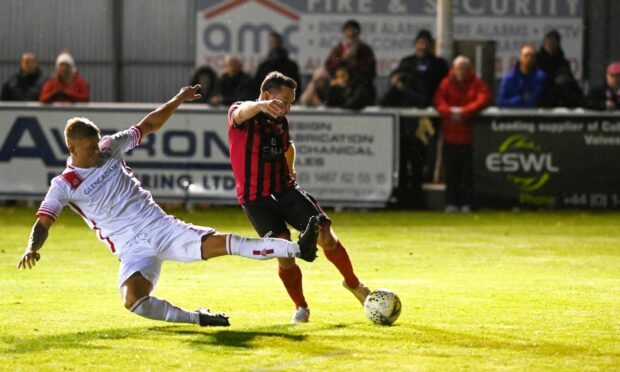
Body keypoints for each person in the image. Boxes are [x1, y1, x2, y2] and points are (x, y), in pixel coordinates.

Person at [17, 85, 320, 328]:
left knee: (224, 244)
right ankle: (197, 318)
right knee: (133, 301)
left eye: (98, 145)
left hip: (162, 228)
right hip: (132, 249)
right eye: (91, 148)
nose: (98, 151)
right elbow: (44, 222)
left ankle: (297, 249)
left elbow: (148, 125)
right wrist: (32, 247)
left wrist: (177, 99)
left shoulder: (110, 147)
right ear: (72, 149)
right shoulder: (64, 184)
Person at [227, 71, 372, 324]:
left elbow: (288, 146)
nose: (287, 108)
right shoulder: (241, 112)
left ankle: (353, 284)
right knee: (284, 251)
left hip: (285, 190)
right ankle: (301, 306)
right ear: (266, 95)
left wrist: (291, 168)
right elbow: (241, 112)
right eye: (284, 101)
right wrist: (260, 106)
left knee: (325, 237)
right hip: (255, 200)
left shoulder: (281, 121)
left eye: (291, 103)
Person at [434, 56, 491, 213]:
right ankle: (451, 203)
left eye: (464, 68)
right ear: (454, 68)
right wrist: (450, 112)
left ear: (469, 69)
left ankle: (467, 203)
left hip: (468, 137)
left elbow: (483, 99)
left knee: (467, 175)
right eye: (459, 68)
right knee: (451, 174)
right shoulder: (446, 83)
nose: (461, 72)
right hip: (450, 136)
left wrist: (464, 112)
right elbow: (439, 100)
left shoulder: (476, 84)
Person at [391, 29, 449, 105]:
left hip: (433, 103)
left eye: (426, 43)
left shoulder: (439, 63)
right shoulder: (407, 62)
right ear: (416, 44)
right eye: (420, 43)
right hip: (410, 103)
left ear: (430, 45)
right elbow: (396, 76)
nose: (423, 47)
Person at [536, 30, 583, 108]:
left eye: (554, 42)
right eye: (549, 43)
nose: (551, 45)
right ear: (544, 44)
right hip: (544, 98)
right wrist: (554, 80)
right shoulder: (538, 60)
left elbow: (570, 80)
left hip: (562, 98)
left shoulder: (562, 61)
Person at [324, 19, 376, 86]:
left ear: (358, 32)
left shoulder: (365, 49)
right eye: (348, 30)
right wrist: (342, 60)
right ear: (344, 32)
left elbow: (370, 70)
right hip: (339, 79)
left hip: (359, 81)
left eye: (353, 30)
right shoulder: (338, 49)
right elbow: (329, 66)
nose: (351, 32)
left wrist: (355, 64)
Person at [254, 32, 302, 96]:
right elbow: (257, 86)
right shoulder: (264, 66)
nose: (274, 45)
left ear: (280, 43)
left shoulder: (291, 66)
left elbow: (296, 86)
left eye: (275, 42)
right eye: (271, 43)